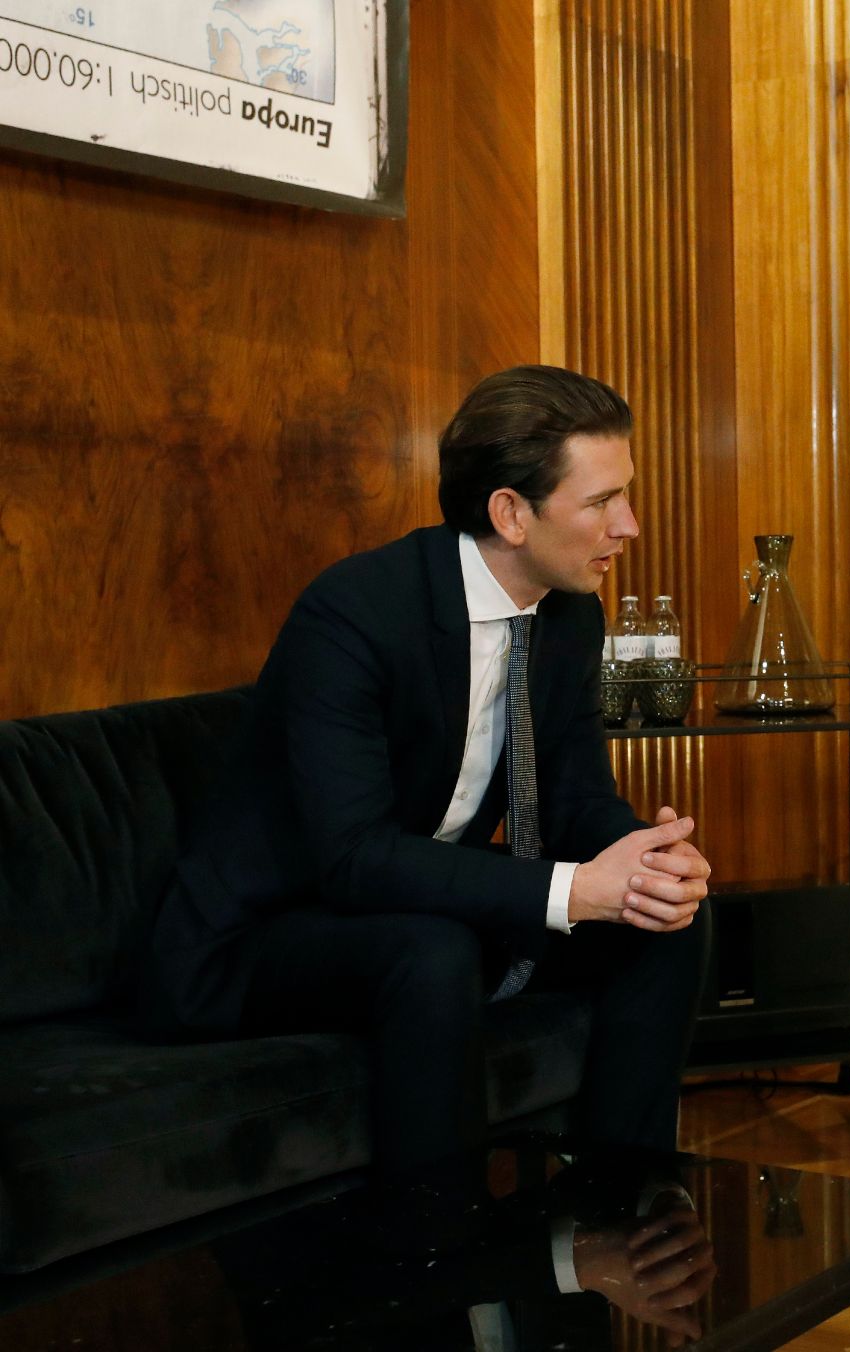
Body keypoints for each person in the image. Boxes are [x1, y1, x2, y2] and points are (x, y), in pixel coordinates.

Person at [141, 365, 710, 1193]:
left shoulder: (570, 612)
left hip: (413, 906)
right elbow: (352, 856)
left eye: (625, 495)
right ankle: (438, 1258)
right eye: (600, 502)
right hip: (259, 936)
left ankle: (621, 1213)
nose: (628, 525)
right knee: (431, 951)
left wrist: (643, 863)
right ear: (510, 512)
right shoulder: (355, 613)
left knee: (669, 921)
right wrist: (572, 891)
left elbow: (577, 796)